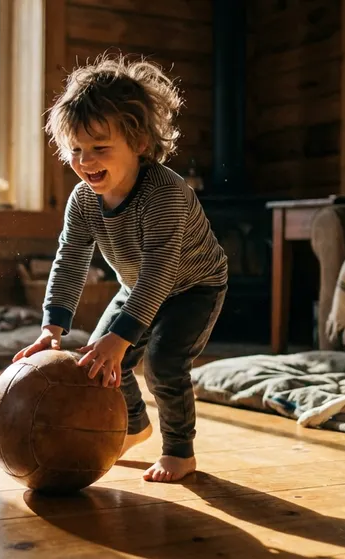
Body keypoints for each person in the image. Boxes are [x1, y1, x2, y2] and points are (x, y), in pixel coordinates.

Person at [13, 53, 228, 483]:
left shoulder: (166, 193)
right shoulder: (83, 200)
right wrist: (51, 327)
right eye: (75, 149)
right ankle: (135, 424)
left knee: (164, 363)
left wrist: (122, 336)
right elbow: (70, 260)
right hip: (138, 285)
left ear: (140, 144)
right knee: (99, 359)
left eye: (99, 148)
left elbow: (161, 271)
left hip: (192, 286)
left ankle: (180, 453)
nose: (85, 161)